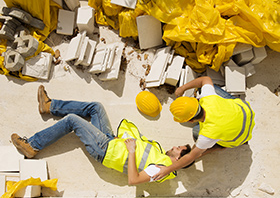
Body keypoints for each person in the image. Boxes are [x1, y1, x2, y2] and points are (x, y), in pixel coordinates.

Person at [11, 85, 192, 185]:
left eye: (178, 149)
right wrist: (123, 141)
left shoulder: (162, 169)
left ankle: (33, 145)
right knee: (96, 107)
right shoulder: (161, 157)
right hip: (111, 141)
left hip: (104, 150)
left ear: (179, 160)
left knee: (72, 120)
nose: (174, 147)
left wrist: (130, 150)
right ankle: (49, 106)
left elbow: (133, 180)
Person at [153, 76, 255, 181]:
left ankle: (219, 145)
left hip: (240, 137)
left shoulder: (207, 134)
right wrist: (183, 88)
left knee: (196, 132)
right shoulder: (207, 98)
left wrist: (168, 170)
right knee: (210, 88)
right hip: (245, 112)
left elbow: (191, 157)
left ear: (190, 121)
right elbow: (205, 79)